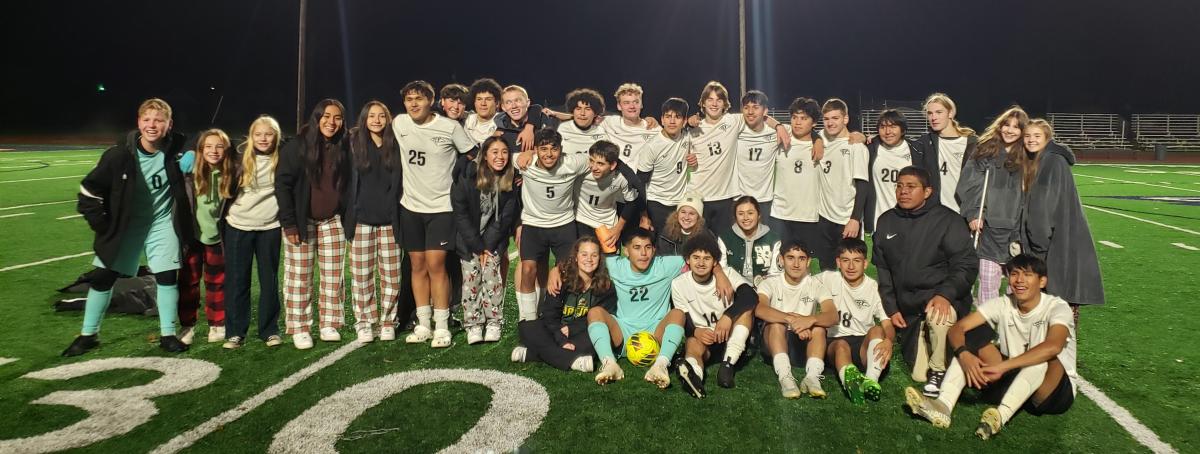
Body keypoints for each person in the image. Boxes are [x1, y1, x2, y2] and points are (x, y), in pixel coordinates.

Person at [64, 98, 195, 356]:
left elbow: (204, 139)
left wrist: (193, 148)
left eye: (159, 120)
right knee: (103, 277)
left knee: (167, 278)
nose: (152, 125)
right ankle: (89, 334)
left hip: (161, 223)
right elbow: (88, 190)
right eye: (147, 119)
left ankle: (167, 334)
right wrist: (102, 225)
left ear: (169, 124)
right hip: (126, 226)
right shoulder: (119, 155)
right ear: (138, 122)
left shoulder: (175, 149)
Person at [906, 254, 1078, 440]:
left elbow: (1054, 346)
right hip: (1016, 379)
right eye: (1014, 274)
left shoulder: (1057, 307)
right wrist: (964, 355)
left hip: (1052, 392)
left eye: (1027, 275)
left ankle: (1000, 416)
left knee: (1041, 359)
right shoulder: (1003, 303)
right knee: (969, 343)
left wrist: (1002, 367)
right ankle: (943, 406)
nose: (1019, 280)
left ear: (1042, 281)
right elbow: (958, 328)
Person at [873, 166, 979, 397]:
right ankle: (939, 353)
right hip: (910, 311)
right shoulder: (886, 221)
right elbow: (883, 270)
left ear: (927, 191)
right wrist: (891, 308)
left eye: (911, 187)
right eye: (900, 186)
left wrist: (945, 295)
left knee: (938, 315)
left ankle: (940, 372)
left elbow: (967, 265)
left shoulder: (948, 220)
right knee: (919, 375)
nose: (903, 192)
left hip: (940, 303)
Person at [580, 229, 733, 388]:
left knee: (678, 313)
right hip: (624, 331)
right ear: (626, 251)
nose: (643, 253)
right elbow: (581, 261)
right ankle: (609, 363)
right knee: (595, 312)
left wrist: (719, 273)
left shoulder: (665, 265)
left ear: (654, 250)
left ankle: (660, 365)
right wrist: (557, 271)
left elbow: (699, 258)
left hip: (656, 333)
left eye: (648, 247)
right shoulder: (615, 265)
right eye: (637, 247)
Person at [392, 80, 478, 348]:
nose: (413, 103)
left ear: (432, 101)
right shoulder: (400, 123)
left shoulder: (449, 127)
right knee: (417, 266)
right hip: (411, 207)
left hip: (441, 208)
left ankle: (442, 326)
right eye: (409, 99)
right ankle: (423, 324)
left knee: (436, 266)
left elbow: (474, 155)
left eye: (419, 98)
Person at [276, 99, 352, 348]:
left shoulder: (344, 146)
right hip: (302, 221)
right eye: (326, 116)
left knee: (333, 276)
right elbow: (283, 185)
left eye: (337, 117)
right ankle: (300, 326)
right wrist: (289, 224)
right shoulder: (297, 146)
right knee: (299, 276)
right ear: (316, 117)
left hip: (331, 220)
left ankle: (329, 323)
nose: (332, 122)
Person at [1020, 119, 1105, 317]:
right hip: (1060, 242)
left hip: (1055, 247)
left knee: (1057, 311)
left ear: (1047, 138)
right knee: (1060, 310)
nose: (1031, 140)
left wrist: (1038, 247)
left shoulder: (1051, 162)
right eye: (1027, 136)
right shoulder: (1046, 160)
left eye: (1037, 136)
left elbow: (1043, 209)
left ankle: (1060, 347)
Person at [686, 81, 789, 232]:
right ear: (702, 103)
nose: (714, 104)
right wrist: (688, 123)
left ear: (724, 104)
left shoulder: (733, 121)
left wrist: (779, 126)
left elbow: (759, 115)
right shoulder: (693, 129)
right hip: (698, 196)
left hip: (726, 197)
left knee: (723, 244)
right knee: (698, 244)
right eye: (710, 100)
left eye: (719, 100)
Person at [513, 129, 590, 322]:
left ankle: (557, 315)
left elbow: (601, 157)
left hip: (563, 224)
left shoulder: (572, 163)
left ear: (561, 150)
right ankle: (529, 318)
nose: (549, 154)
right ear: (536, 149)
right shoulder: (525, 163)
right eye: (543, 148)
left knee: (568, 271)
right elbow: (495, 154)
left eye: (554, 149)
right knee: (528, 269)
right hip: (533, 224)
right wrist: (526, 153)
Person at [223, 116, 285, 349]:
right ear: (251, 136)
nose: (263, 138)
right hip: (238, 225)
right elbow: (207, 145)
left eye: (268, 134)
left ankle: (269, 330)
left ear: (276, 136)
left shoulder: (282, 158)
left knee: (269, 281)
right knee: (238, 280)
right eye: (258, 134)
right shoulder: (239, 157)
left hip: (269, 227)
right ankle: (235, 332)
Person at [345, 101, 404, 343]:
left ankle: (388, 320)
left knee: (392, 275)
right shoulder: (354, 143)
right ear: (364, 119)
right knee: (361, 275)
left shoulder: (395, 144)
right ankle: (365, 322)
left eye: (382, 116)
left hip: (390, 220)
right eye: (372, 116)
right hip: (362, 220)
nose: (377, 120)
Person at [957, 107, 1028, 304]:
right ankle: (985, 330)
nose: (1010, 130)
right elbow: (968, 184)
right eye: (1007, 125)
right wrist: (973, 214)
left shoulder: (1028, 155)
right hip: (988, 227)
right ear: (1000, 125)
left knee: (1017, 286)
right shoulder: (985, 150)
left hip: (1016, 229)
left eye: (1016, 127)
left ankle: (1012, 330)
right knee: (988, 284)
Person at [672, 234, 757, 398]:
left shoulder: (728, 274)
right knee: (693, 345)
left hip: (730, 336)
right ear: (688, 260)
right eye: (696, 257)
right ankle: (694, 376)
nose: (701, 263)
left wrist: (727, 316)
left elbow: (751, 297)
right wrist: (696, 331)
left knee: (746, 311)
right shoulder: (679, 284)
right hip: (705, 337)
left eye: (707, 258)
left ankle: (727, 365)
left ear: (715, 262)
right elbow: (684, 317)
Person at [452, 136, 519, 344]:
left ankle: (493, 322)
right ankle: (473, 323)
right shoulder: (467, 176)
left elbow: (505, 218)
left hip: (493, 242)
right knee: (471, 278)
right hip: (469, 240)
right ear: (485, 155)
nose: (500, 157)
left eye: (504, 152)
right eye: (494, 152)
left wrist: (487, 247)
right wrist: (477, 247)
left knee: (492, 278)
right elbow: (461, 214)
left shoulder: (510, 180)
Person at [512, 236, 615, 372]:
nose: (589, 259)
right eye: (584, 254)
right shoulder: (560, 279)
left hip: (582, 333)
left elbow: (603, 316)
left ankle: (533, 354)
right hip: (555, 331)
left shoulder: (605, 285)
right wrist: (561, 339)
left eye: (594, 255)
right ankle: (574, 361)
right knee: (527, 327)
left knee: (599, 337)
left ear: (599, 258)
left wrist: (572, 329)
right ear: (576, 257)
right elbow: (549, 315)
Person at [755, 239, 837, 399]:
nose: (796, 264)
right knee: (776, 324)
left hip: (804, 344)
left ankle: (812, 377)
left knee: (819, 328)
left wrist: (810, 320)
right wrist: (792, 320)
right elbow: (759, 308)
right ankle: (785, 377)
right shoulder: (770, 283)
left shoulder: (815, 284)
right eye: (790, 257)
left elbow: (832, 315)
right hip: (776, 341)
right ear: (781, 260)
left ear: (808, 262)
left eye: (801, 258)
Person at [818, 238, 894, 404]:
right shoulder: (828, 278)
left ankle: (870, 380)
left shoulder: (873, 287)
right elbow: (802, 282)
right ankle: (851, 384)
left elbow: (887, 322)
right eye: (845, 261)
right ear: (838, 262)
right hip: (836, 342)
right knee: (841, 345)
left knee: (877, 330)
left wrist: (889, 341)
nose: (851, 267)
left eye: (856, 261)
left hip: (863, 345)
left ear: (865, 264)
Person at [178, 129, 232, 345]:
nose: (214, 151)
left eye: (219, 146)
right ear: (200, 150)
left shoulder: (231, 173)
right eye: (208, 147)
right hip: (192, 237)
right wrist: (189, 150)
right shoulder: (189, 173)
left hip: (217, 237)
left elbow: (240, 146)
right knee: (188, 283)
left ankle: (217, 324)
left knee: (217, 282)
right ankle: (187, 325)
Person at [814, 98, 869, 271]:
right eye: (827, 119)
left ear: (845, 119)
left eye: (835, 118)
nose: (830, 123)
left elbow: (863, 186)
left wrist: (854, 219)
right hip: (823, 217)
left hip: (846, 219)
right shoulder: (820, 138)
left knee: (850, 268)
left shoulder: (855, 146)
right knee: (826, 268)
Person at [770, 97, 825, 250]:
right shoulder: (782, 139)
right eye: (794, 117)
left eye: (804, 118)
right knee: (778, 261)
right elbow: (764, 118)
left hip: (807, 215)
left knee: (803, 262)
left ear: (814, 123)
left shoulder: (822, 144)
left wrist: (818, 140)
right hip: (780, 214)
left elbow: (853, 137)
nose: (798, 122)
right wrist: (779, 126)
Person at [573, 140, 645, 252]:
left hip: (606, 224)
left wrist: (617, 229)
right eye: (592, 161)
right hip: (581, 220)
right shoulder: (581, 170)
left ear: (612, 165)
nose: (594, 167)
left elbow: (631, 202)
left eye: (600, 164)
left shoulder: (621, 177)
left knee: (610, 265)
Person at [635, 97, 692, 234]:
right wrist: (644, 215)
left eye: (677, 117)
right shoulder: (652, 146)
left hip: (680, 203)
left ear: (684, 121)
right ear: (662, 119)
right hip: (657, 203)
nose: (672, 121)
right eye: (668, 116)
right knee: (661, 249)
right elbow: (639, 183)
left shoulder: (688, 136)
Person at [864, 109, 926, 233]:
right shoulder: (870, 148)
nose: (887, 132)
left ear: (902, 129)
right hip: (877, 221)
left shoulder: (917, 150)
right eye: (883, 127)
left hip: (908, 222)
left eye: (893, 126)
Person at [916, 93, 977, 213]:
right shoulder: (925, 142)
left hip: (965, 213)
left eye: (939, 112)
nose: (933, 117)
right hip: (936, 214)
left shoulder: (972, 143)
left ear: (950, 113)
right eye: (930, 113)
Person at [717, 196, 781, 285]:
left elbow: (776, 274)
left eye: (750, 213)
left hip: (764, 288)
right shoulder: (725, 238)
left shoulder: (773, 239)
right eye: (740, 213)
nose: (745, 217)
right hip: (734, 286)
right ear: (735, 216)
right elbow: (723, 269)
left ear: (758, 215)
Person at [463, 78, 503, 145]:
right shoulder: (466, 119)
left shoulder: (504, 121)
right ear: (474, 102)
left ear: (497, 103)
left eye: (488, 99)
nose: (483, 103)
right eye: (479, 99)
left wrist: (527, 127)